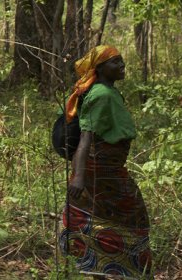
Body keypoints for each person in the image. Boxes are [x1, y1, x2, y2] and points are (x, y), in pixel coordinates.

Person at [60, 45, 151, 278]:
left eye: (121, 60)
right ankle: (119, 270)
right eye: (115, 62)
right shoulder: (101, 94)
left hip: (108, 169)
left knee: (103, 218)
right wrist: (79, 177)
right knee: (132, 215)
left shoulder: (108, 92)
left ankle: (103, 270)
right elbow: (86, 138)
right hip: (100, 172)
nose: (122, 65)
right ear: (99, 69)